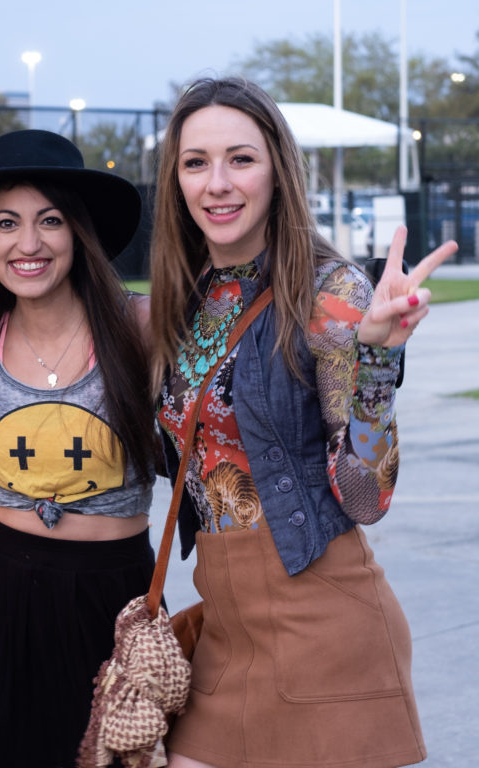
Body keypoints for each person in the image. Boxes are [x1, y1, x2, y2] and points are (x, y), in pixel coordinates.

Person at [148, 77, 457, 768]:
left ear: (277, 171)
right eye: (196, 162)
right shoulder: (186, 300)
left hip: (321, 622)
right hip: (225, 628)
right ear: (175, 180)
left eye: (241, 158)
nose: (217, 182)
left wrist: (376, 360)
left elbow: (366, 497)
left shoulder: (330, 292)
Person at [0, 129, 161, 767]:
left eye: (49, 221)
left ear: (78, 232)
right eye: (7, 223)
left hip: (114, 595)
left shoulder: (143, 326)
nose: (28, 244)